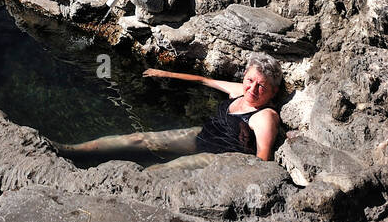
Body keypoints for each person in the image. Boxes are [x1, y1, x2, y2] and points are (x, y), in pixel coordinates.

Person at [58, 54, 282, 165]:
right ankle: (72, 150)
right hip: (200, 135)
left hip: (215, 157)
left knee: (160, 172)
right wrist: (165, 74)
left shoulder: (265, 117)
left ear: (272, 91)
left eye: (261, 86)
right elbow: (203, 80)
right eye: (250, 80)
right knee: (138, 139)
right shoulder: (240, 90)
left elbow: (262, 160)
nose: (252, 88)